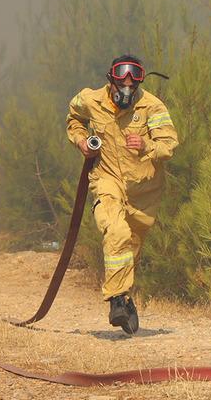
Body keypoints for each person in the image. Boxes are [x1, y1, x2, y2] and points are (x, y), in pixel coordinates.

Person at [66, 54, 178, 333]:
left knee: (130, 251)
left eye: (133, 81)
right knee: (116, 232)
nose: (126, 89)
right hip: (107, 181)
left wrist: (147, 145)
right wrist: (82, 141)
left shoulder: (152, 106)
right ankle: (116, 301)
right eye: (121, 81)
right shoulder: (90, 99)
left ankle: (125, 299)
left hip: (144, 192)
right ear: (110, 79)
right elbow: (74, 118)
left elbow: (169, 145)